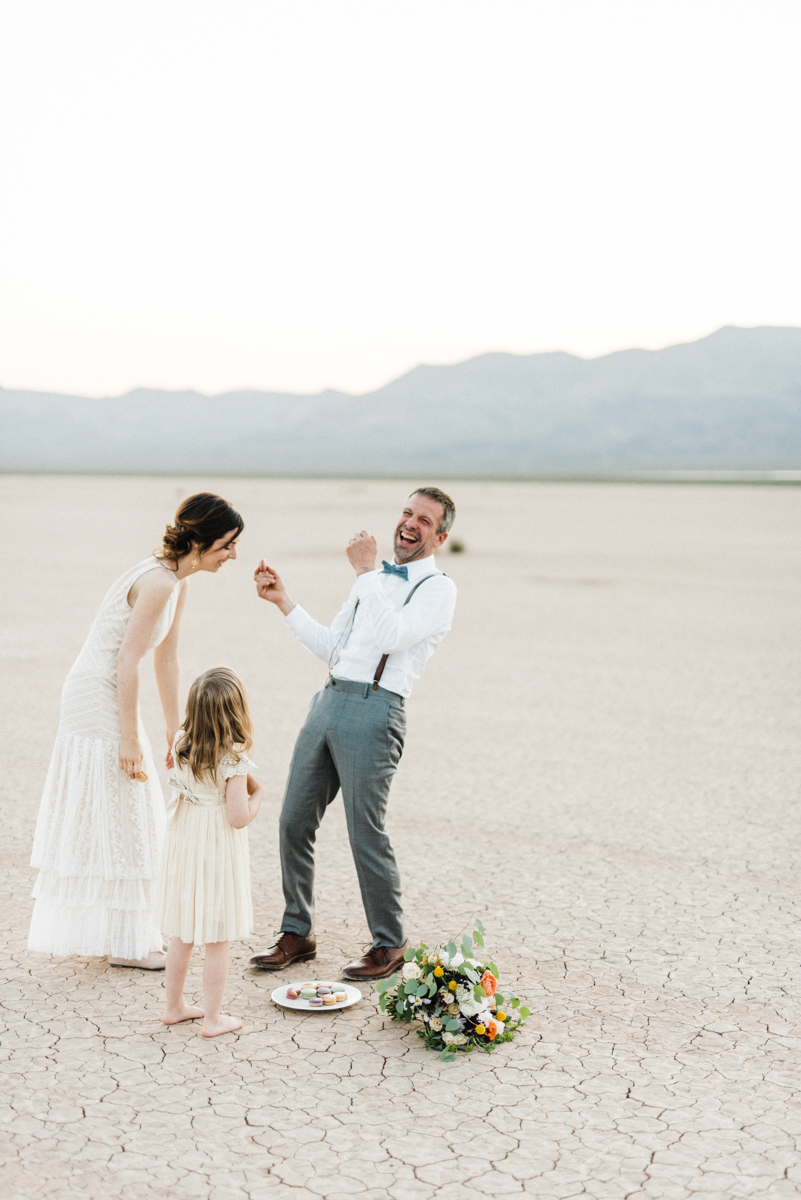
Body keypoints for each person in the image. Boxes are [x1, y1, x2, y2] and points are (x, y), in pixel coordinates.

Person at [28, 493, 244, 969]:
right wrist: (130, 739)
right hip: (95, 696)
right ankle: (132, 944)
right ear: (202, 542)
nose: (233, 555)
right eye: (227, 545)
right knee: (130, 807)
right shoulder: (158, 582)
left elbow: (166, 657)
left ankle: (129, 936)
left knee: (130, 809)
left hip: (110, 690)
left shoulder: (177, 579)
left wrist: (174, 729)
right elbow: (125, 661)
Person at [250, 486, 457, 981]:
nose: (410, 523)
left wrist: (366, 572)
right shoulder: (371, 582)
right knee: (293, 820)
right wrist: (284, 601)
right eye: (407, 512)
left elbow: (392, 637)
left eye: (424, 520)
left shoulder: (438, 589)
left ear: (441, 536)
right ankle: (297, 931)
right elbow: (333, 647)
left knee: (365, 831)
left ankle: (390, 942)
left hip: (377, 711)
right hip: (329, 698)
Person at [158, 667, 262, 1037]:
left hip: (185, 840)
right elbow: (237, 818)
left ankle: (174, 1006)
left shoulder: (180, 741)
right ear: (235, 714)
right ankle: (213, 1018)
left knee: (182, 930)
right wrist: (258, 796)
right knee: (218, 934)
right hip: (214, 846)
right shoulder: (233, 761)